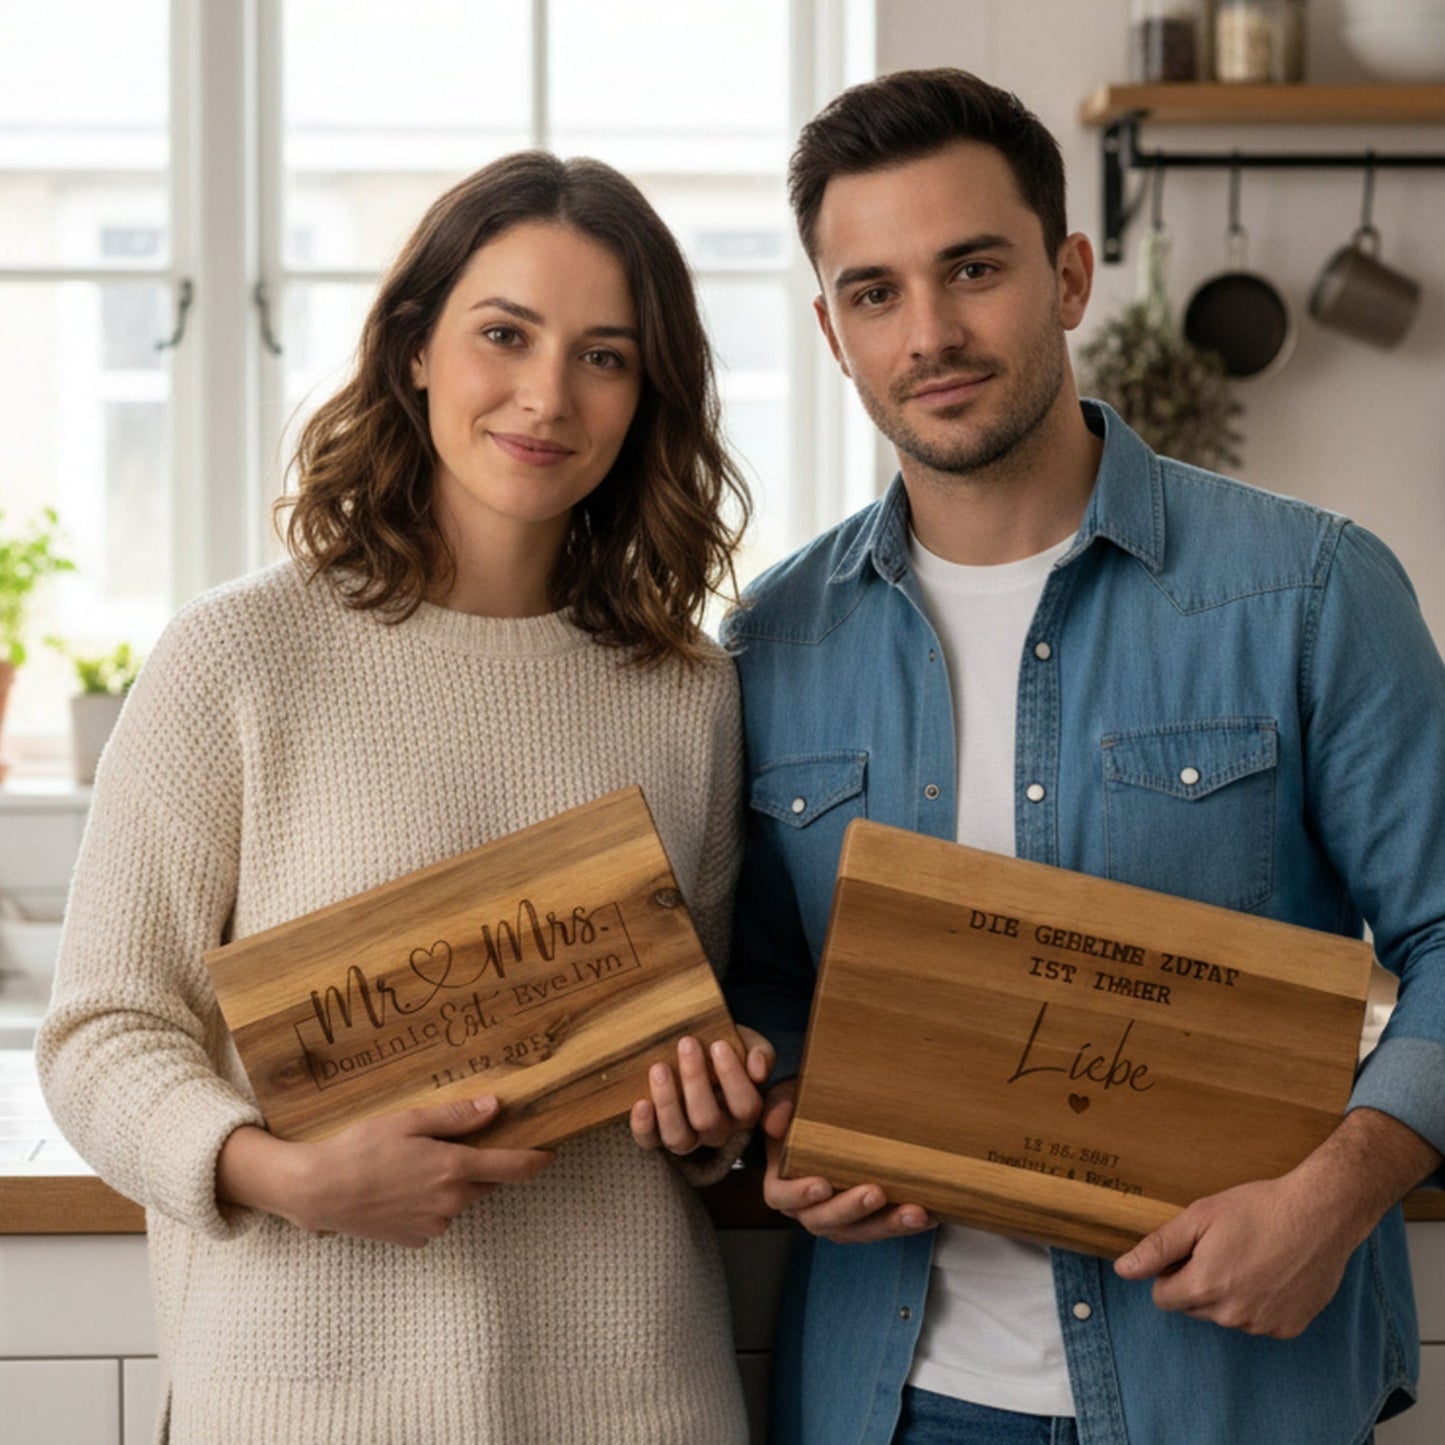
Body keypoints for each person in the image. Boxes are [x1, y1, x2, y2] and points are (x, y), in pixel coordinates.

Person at [723, 68, 1445, 1445]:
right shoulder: (771, 640)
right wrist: (792, 1119)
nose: (927, 332)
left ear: (1065, 274)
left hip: (1235, 1388)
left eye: (971, 268)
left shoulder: (1310, 590)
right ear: (830, 329)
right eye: (873, 292)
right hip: (895, 1401)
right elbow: (766, 977)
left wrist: (1339, 1197)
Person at [37, 150, 771, 1444]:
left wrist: (714, 1118)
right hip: (304, 1403)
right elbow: (101, 1031)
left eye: (604, 355)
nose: (548, 394)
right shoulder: (237, 661)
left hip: (632, 1396)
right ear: (416, 347)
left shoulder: (687, 691)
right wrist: (284, 1174)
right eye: (505, 334)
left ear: (646, 393)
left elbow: (679, 1056)